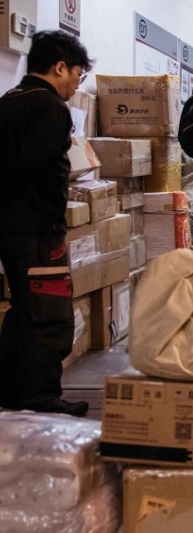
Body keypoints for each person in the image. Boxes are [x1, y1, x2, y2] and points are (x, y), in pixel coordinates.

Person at [0, 30, 92, 416]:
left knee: (23, 310)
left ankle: (12, 394)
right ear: (59, 68)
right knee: (48, 313)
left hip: (10, 226)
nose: (76, 83)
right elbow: (33, 167)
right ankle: (42, 399)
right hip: (37, 228)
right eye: (77, 74)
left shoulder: (9, 100)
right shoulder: (51, 108)